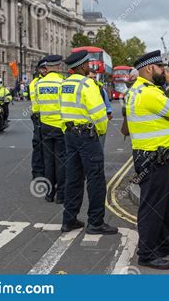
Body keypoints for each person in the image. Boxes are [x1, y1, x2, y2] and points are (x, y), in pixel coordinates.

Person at [126, 50, 169, 270]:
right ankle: (147, 253)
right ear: (150, 68)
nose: (164, 72)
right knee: (152, 206)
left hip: (155, 157)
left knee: (163, 203)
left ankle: (162, 243)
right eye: (161, 68)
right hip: (153, 158)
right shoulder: (149, 93)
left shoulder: (143, 90)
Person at [61, 50, 117, 235]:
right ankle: (95, 222)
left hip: (70, 135)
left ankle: (69, 220)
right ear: (82, 66)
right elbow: (100, 115)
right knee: (95, 179)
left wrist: (67, 130)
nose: (90, 67)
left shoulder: (65, 85)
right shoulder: (88, 85)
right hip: (87, 136)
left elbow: (61, 111)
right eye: (88, 64)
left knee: (73, 178)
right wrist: (99, 132)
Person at [35, 55, 66, 203]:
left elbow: (36, 107)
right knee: (61, 160)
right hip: (60, 126)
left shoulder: (39, 84)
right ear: (58, 66)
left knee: (48, 161)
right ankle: (61, 195)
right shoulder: (62, 83)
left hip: (45, 125)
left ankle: (49, 193)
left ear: (47, 67)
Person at [29, 58, 47, 180]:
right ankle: (38, 172)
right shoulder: (35, 83)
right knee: (39, 145)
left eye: (47, 68)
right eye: (43, 68)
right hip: (39, 117)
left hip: (51, 117)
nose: (45, 70)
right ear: (39, 70)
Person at [87, 68, 113, 150]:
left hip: (100, 125)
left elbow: (108, 106)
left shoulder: (101, 89)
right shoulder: (83, 89)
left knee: (100, 150)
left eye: (94, 77)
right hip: (86, 126)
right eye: (90, 77)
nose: (93, 80)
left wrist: (108, 115)